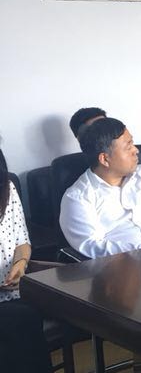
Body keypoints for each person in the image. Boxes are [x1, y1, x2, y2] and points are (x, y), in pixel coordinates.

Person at [60, 118, 141, 258]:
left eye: (132, 143)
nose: (136, 150)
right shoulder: (77, 198)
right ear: (104, 159)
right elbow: (92, 246)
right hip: (124, 266)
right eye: (128, 147)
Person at [0, 156, 52, 372]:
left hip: (13, 293)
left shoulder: (7, 188)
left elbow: (22, 241)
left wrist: (20, 265)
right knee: (19, 321)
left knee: (25, 316)